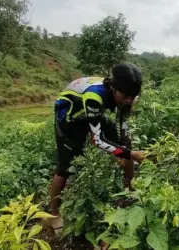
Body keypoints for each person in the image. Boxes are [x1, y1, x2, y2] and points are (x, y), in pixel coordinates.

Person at [50, 63, 145, 234]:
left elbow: (122, 123)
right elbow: (97, 140)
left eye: (133, 96)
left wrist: (125, 148)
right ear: (115, 89)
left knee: (126, 147)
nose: (129, 100)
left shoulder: (126, 95)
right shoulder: (95, 96)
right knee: (64, 167)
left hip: (91, 113)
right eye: (126, 96)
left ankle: (132, 194)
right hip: (69, 118)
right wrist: (131, 154)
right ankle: (54, 215)